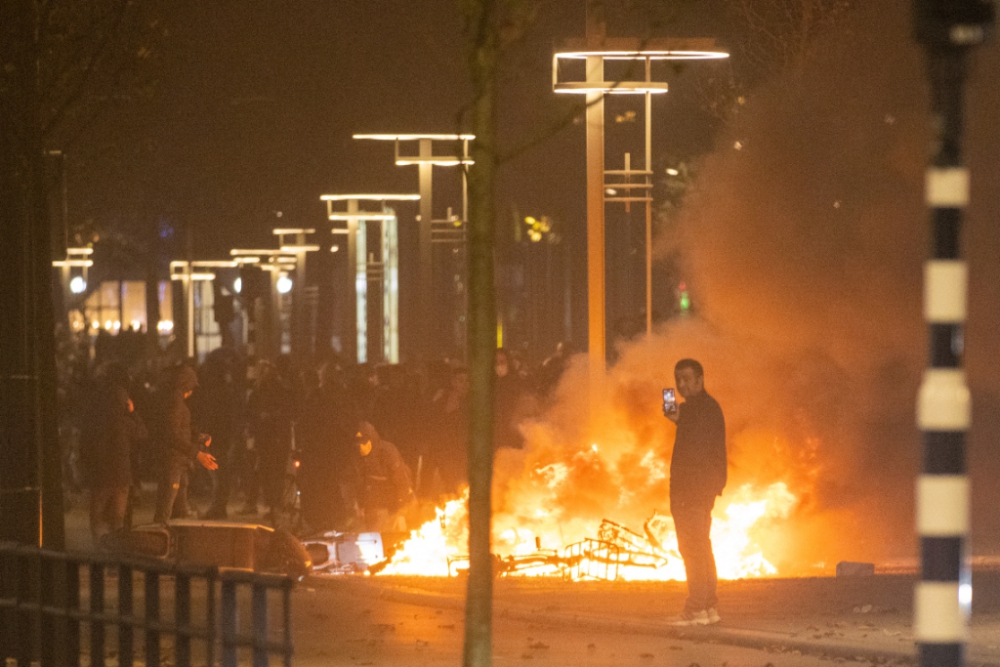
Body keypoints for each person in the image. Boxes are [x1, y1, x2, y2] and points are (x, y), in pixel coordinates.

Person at [664, 358, 727, 626]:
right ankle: (709, 607)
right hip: (701, 489)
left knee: (692, 549)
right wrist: (672, 405)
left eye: (688, 379)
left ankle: (696, 609)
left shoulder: (699, 410)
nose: (681, 385)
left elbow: (696, 450)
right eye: (678, 380)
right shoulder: (704, 408)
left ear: (701, 380)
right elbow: (680, 421)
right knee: (702, 547)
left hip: (692, 490)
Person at [80, 363, 147, 547]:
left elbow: (85, 442)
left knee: (98, 516)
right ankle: (114, 553)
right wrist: (133, 413)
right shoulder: (125, 421)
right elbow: (142, 434)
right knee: (118, 519)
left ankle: (99, 550)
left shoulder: (96, 418)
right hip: (121, 475)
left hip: (100, 474)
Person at [153, 364, 218, 523]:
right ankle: (158, 538)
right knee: (166, 509)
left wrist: (197, 436)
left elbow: (178, 430)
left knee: (178, 509)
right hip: (173, 463)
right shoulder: (175, 403)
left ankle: (174, 540)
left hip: (179, 463)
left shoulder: (175, 401)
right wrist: (197, 453)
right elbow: (172, 434)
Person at [354, 421, 414, 532]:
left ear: (371, 440)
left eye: (364, 443)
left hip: (396, 489)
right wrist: (362, 504)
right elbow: (361, 482)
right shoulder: (359, 457)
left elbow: (401, 479)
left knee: (400, 526)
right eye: (358, 444)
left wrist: (402, 505)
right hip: (376, 492)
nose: (361, 447)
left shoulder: (388, 451)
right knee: (373, 528)